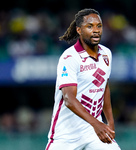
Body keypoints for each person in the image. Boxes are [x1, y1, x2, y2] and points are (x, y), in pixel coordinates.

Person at [46, 8, 121, 150]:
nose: (96, 30)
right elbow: (68, 99)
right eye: (90, 26)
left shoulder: (106, 54)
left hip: (93, 132)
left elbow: (104, 87)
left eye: (99, 26)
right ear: (79, 30)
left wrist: (110, 122)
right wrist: (97, 124)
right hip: (66, 135)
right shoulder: (69, 58)